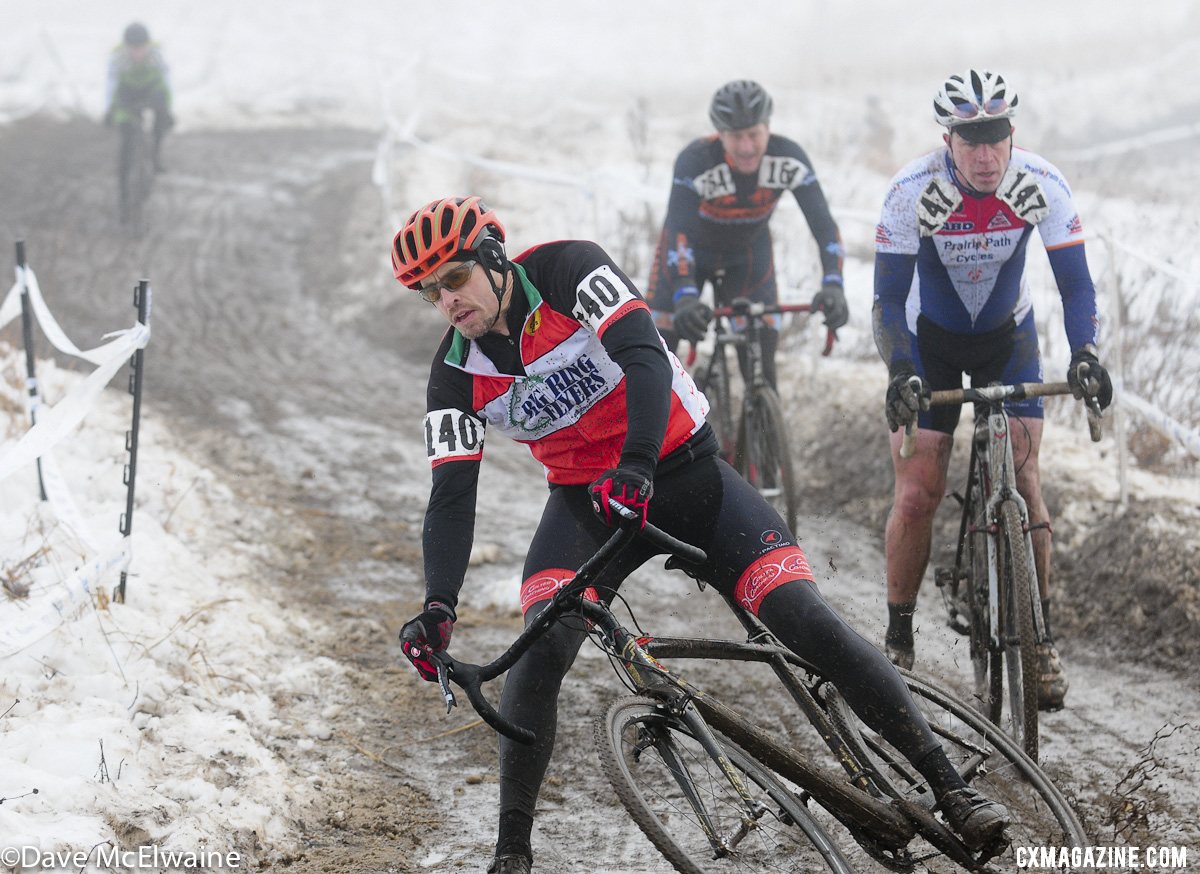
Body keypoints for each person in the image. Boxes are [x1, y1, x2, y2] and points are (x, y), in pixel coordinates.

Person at [395, 196, 1009, 873]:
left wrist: (636, 462)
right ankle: (511, 853)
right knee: (539, 649)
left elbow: (644, 357)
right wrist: (438, 606)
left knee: (803, 618)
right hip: (587, 505)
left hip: (685, 473)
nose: (446, 302)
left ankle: (950, 787)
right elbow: (451, 496)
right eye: (431, 293)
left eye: (453, 278)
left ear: (491, 256)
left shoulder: (572, 270)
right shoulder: (454, 374)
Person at [872, 70, 1114, 709]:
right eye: (970, 140)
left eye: (996, 138)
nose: (985, 155)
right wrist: (900, 371)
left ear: (1013, 134)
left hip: (1009, 337)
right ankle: (899, 633)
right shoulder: (910, 191)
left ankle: (1041, 642)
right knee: (921, 489)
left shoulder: (1041, 183)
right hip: (930, 343)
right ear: (947, 139)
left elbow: (1078, 286)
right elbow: (888, 301)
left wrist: (1086, 352)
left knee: (1028, 484)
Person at [645, 80, 848, 390]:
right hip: (689, 256)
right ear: (720, 134)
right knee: (657, 364)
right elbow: (678, 231)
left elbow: (823, 224)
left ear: (768, 127)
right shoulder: (695, 160)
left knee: (761, 371)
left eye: (753, 134)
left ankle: (761, 423)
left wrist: (833, 283)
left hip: (748, 256)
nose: (746, 147)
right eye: (735, 137)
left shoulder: (789, 157)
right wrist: (685, 294)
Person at [104, 22, 174, 207]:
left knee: (161, 116)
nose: (137, 53)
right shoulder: (118, 59)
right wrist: (110, 109)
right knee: (126, 144)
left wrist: (167, 109)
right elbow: (111, 86)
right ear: (126, 47)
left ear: (147, 45)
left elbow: (166, 83)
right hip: (127, 95)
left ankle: (156, 155)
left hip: (151, 92)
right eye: (133, 48)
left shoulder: (157, 56)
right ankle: (124, 195)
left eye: (141, 48)